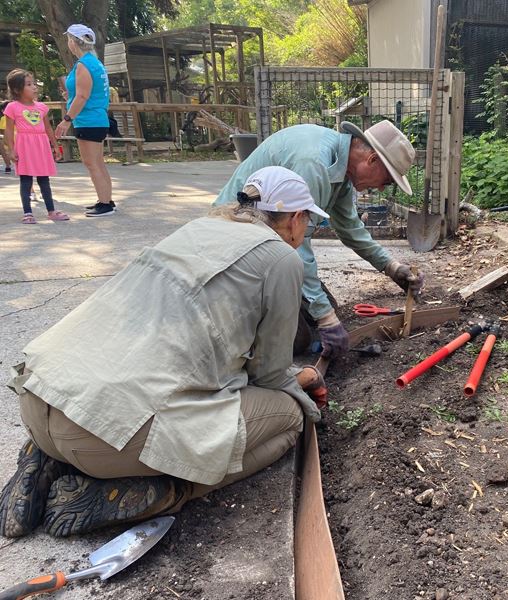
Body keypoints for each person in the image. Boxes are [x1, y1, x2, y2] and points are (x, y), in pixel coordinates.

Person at [0, 166, 328, 538]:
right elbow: (268, 376)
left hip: (39, 396)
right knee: (291, 419)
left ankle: (46, 456)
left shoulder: (197, 228)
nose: (305, 235)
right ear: (296, 218)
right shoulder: (282, 259)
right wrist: (302, 379)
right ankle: (162, 492)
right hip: (103, 440)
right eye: (309, 225)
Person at [214, 120, 425, 359]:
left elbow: (350, 229)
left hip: (267, 245)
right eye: (386, 181)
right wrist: (325, 317)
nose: (382, 190)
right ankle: (238, 343)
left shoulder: (342, 172)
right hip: (238, 245)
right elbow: (296, 247)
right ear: (372, 160)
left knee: (324, 313)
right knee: (299, 337)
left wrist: (391, 267)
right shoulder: (315, 164)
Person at [54, 24, 114, 217]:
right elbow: (84, 94)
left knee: (91, 163)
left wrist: (66, 119)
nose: (68, 43)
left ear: (74, 41)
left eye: (69, 39)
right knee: (98, 162)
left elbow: (82, 97)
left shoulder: (84, 65)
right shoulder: (95, 63)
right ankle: (106, 199)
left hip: (88, 120)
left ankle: (105, 204)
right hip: (97, 118)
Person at [3, 70, 70, 223]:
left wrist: (55, 145)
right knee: (26, 180)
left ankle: (51, 211)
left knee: (44, 179)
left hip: (41, 145)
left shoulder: (41, 107)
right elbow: (8, 130)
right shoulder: (12, 107)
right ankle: (28, 213)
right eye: (29, 84)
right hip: (24, 145)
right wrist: (11, 150)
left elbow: (48, 128)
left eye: (34, 84)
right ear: (16, 89)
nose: (34, 87)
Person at [1, 99, 13, 173]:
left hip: (16, 137)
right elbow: (2, 130)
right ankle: (8, 165)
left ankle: (8, 165)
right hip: (6, 138)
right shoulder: (3, 118)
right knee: (4, 149)